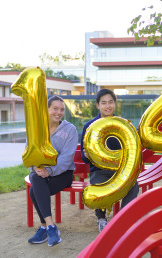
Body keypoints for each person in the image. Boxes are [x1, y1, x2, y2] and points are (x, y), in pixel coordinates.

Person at [80, 89, 139, 232]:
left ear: (115, 104)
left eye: (110, 102)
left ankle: (122, 219)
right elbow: (83, 157)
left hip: (120, 171)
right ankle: (101, 218)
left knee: (133, 186)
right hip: (99, 171)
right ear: (98, 105)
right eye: (104, 103)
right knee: (99, 186)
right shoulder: (89, 126)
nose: (107, 106)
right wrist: (87, 155)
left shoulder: (122, 125)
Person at [28, 95, 78, 247]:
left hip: (63, 175)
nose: (59, 112)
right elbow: (29, 152)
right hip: (40, 174)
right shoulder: (37, 129)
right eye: (55, 108)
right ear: (47, 109)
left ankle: (45, 227)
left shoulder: (70, 129)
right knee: (35, 179)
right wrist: (35, 168)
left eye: (62, 109)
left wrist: (50, 171)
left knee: (34, 190)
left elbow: (67, 158)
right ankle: (50, 227)